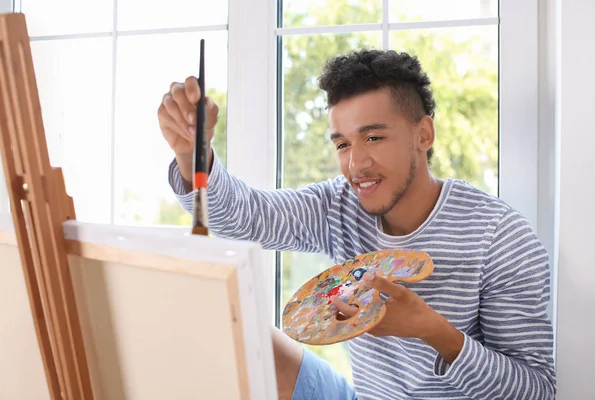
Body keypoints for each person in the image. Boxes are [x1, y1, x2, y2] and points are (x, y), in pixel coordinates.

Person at [157, 49, 557, 399]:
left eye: (374, 138)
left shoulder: (499, 237)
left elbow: (536, 391)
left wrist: (432, 330)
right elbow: (247, 217)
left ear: (424, 133)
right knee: (244, 336)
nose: (356, 164)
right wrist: (194, 156)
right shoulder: (340, 204)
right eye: (343, 144)